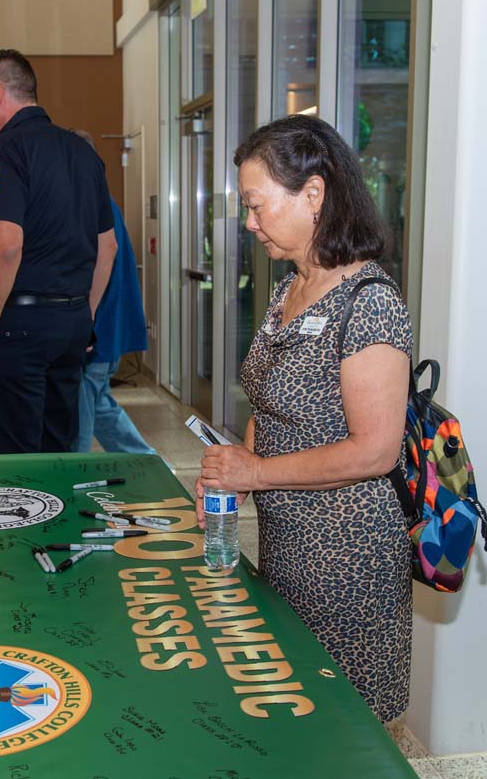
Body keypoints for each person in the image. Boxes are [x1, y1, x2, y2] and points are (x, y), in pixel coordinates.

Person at [196, 115, 413, 724]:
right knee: (295, 712)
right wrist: (229, 477)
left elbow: (376, 451)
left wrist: (256, 474)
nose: (249, 222)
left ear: (313, 194)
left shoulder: (370, 302)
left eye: (258, 205)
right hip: (288, 546)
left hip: (347, 558)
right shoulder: (289, 289)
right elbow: (268, 405)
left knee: (343, 729)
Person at [0, 49, 117, 454]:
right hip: (71, 322)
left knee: (14, 451)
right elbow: (108, 246)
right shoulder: (83, 152)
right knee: (58, 446)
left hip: (18, 323)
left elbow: (5, 247)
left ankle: (22, 518)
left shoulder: (4, 151)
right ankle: (57, 515)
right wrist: (85, 313)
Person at [69, 131, 153, 455]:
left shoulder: (91, 201)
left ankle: (72, 476)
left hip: (98, 329)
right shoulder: (102, 199)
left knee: (83, 409)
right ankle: (145, 462)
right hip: (108, 327)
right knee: (99, 402)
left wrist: (83, 322)